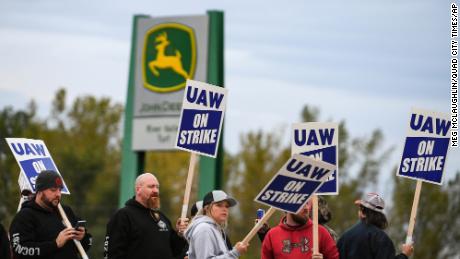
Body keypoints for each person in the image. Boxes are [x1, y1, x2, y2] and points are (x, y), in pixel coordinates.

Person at [9, 170, 92, 259]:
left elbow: (86, 245)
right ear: (40, 191)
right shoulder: (24, 216)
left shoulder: (66, 211)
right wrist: (55, 244)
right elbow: (19, 250)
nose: (58, 194)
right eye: (53, 190)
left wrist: (83, 237)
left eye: (60, 190)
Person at [104, 172, 188, 259]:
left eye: (157, 187)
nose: (156, 190)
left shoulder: (161, 217)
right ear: (138, 189)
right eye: (151, 186)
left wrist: (180, 234)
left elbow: (176, 251)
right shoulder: (123, 216)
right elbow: (113, 253)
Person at [336, 192, 414, 259]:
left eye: (360, 208)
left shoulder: (345, 237)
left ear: (362, 212)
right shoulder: (382, 239)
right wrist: (404, 255)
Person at [261, 200, 339, 259]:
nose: (306, 208)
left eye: (307, 203)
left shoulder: (321, 232)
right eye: (301, 203)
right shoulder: (272, 235)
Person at [185, 190, 248, 259]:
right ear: (206, 208)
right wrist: (235, 253)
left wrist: (234, 251)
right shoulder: (204, 229)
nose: (224, 209)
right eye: (219, 205)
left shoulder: (214, 229)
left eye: (227, 206)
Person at [258, 196, 338, 242]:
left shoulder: (325, 233)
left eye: (306, 202)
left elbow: (326, 216)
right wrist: (265, 235)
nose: (305, 206)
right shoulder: (281, 231)